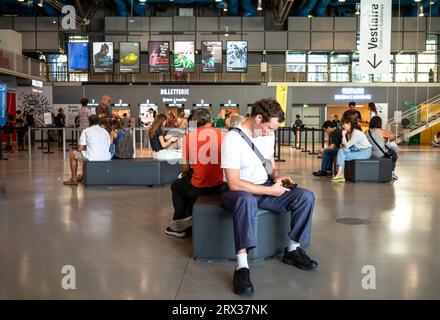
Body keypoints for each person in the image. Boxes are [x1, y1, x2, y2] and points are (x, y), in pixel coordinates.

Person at [221, 98, 318, 296]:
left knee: (305, 197)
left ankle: (292, 249)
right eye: (269, 128)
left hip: (264, 187)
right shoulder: (232, 138)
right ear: (258, 118)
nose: (272, 133)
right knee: (246, 200)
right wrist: (270, 191)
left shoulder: (267, 134)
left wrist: (276, 177)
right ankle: (242, 267)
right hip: (238, 192)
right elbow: (233, 183)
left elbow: (269, 160)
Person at [166, 108, 226, 238]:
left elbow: (185, 168)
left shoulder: (188, 138)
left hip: (198, 187)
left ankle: (179, 223)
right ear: (209, 120)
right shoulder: (223, 135)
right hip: (219, 186)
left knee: (176, 185)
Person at [63, 115, 112, 186]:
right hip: (106, 157)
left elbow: (79, 149)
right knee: (85, 153)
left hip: (93, 157)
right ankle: (83, 176)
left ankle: (73, 179)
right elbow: (108, 146)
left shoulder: (86, 131)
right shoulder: (105, 131)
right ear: (98, 122)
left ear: (89, 122)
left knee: (73, 154)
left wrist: (86, 148)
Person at [331, 118, 372, 183]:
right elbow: (345, 146)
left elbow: (346, 146)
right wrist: (343, 143)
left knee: (341, 152)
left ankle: (340, 174)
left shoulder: (356, 133)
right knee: (341, 151)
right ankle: (340, 174)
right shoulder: (351, 133)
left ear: (349, 124)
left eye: (344, 124)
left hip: (365, 152)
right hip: (357, 151)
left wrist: (343, 135)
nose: (342, 126)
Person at [366, 116, 398, 180]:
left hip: (370, 154)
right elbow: (393, 137)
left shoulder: (366, 132)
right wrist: (389, 134)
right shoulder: (381, 131)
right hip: (380, 154)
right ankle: (392, 172)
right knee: (394, 154)